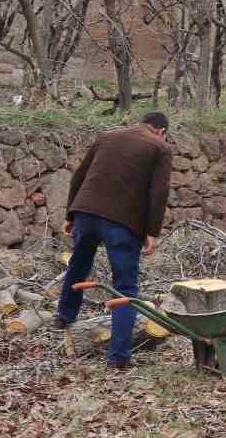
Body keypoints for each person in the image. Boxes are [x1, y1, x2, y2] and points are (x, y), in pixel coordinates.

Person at [56, 112, 173, 369]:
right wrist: (152, 231)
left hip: (86, 212)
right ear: (161, 131)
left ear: (143, 123)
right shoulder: (160, 148)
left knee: (78, 264)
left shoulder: (107, 136)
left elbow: (79, 176)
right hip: (122, 223)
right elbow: (159, 192)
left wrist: (70, 214)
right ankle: (118, 357)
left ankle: (64, 316)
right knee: (125, 289)